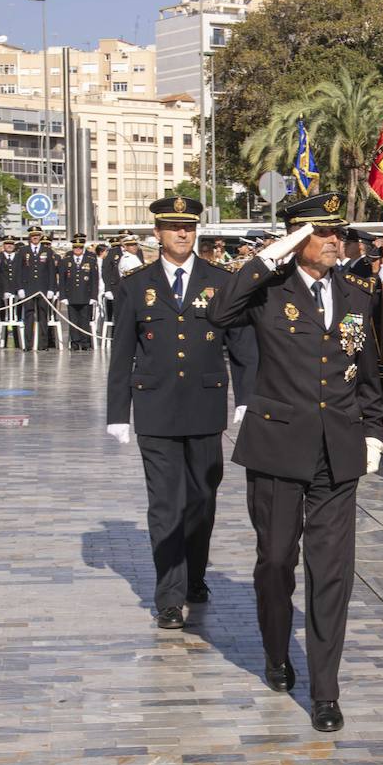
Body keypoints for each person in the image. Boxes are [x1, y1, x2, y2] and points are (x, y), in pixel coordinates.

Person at [205, 191, 383, 734]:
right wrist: (270, 253)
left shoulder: (356, 294)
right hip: (279, 448)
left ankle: (325, 691)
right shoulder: (266, 290)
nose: (336, 241)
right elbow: (219, 310)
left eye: (338, 233)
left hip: (339, 451)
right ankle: (276, 651)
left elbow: (368, 369)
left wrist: (374, 430)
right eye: (323, 233)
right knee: (276, 562)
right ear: (296, 237)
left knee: (332, 574)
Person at [106, 195, 254, 632]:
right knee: (165, 505)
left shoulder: (220, 280)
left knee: (202, 500)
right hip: (155, 407)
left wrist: (247, 396)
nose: (182, 234)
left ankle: (195, 575)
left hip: (206, 408)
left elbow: (241, 342)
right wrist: (118, 412)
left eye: (189, 227)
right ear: (158, 234)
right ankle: (169, 595)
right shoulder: (136, 284)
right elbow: (123, 353)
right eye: (173, 228)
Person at [20, 229, 57, 350]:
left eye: (37, 235)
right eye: (33, 235)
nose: (35, 237)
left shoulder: (47, 251)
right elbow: (18, 271)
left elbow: (51, 271)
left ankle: (43, 344)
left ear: (40, 237)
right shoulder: (23, 251)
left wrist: (51, 288)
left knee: (43, 316)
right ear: (29, 237)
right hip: (28, 288)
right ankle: (28, 344)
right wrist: (20, 288)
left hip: (43, 288)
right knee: (28, 317)